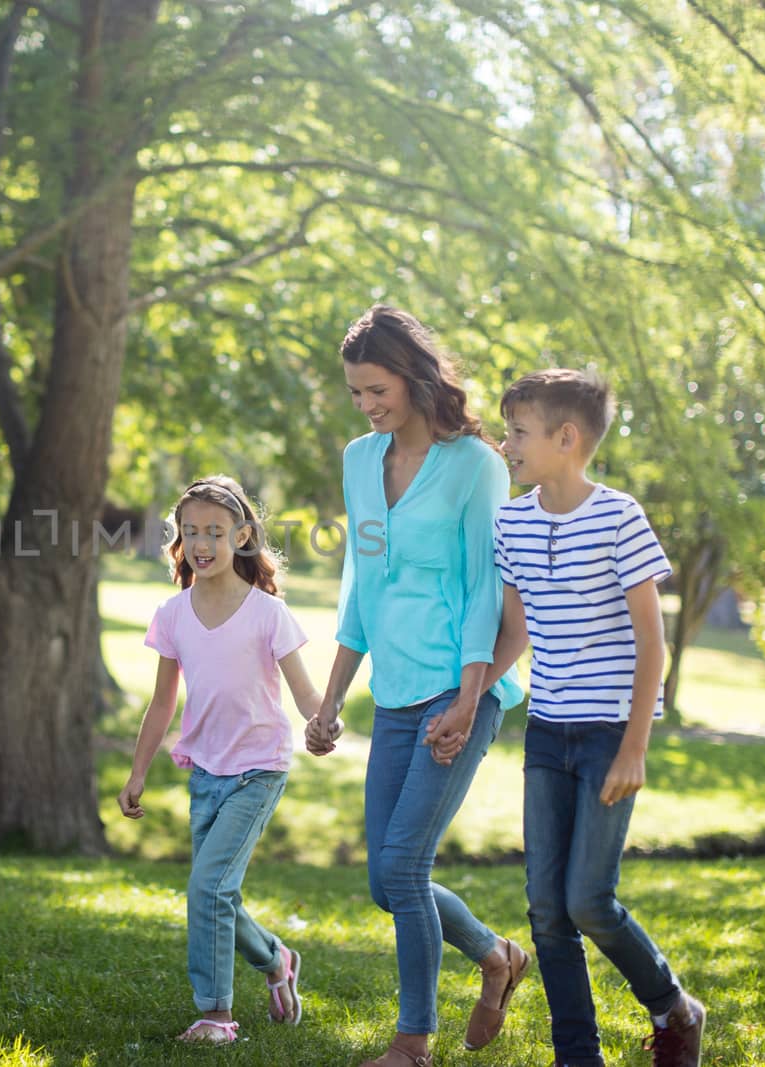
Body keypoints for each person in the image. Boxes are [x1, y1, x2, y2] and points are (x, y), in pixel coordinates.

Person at [305, 305, 529, 1067]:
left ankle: (413, 1041)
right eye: (356, 392)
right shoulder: (358, 461)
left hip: (457, 688)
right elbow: (358, 587)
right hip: (395, 692)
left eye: (377, 388)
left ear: (414, 375)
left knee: (403, 867)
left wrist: (469, 698)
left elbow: (481, 589)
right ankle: (495, 954)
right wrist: (332, 696)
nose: (367, 405)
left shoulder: (476, 465)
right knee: (383, 880)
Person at [493, 369, 704, 1067]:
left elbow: (653, 640)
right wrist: (470, 696)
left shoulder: (620, 516)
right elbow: (516, 632)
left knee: (587, 899)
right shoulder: (512, 520)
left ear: (566, 437)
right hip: (547, 731)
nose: (508, 443)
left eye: (519, 431)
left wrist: (635, 745)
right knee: (546, 909)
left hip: (611, 730)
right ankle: (576, 1055)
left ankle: (675, 1006)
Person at [117, 476, 324, 1045]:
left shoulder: (267, 614)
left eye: (215, 531)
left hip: (260, 768)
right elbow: (162, 703)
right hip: (205, 771)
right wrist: (137, 771)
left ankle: (215, 1014)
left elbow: (304, 691)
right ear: (179, 541)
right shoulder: (173, 614)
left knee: (206, 887)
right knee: (219, 893)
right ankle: (277, 960)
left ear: (243, 536)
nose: (202, 542)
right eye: (191, 532)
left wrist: (321, 720)